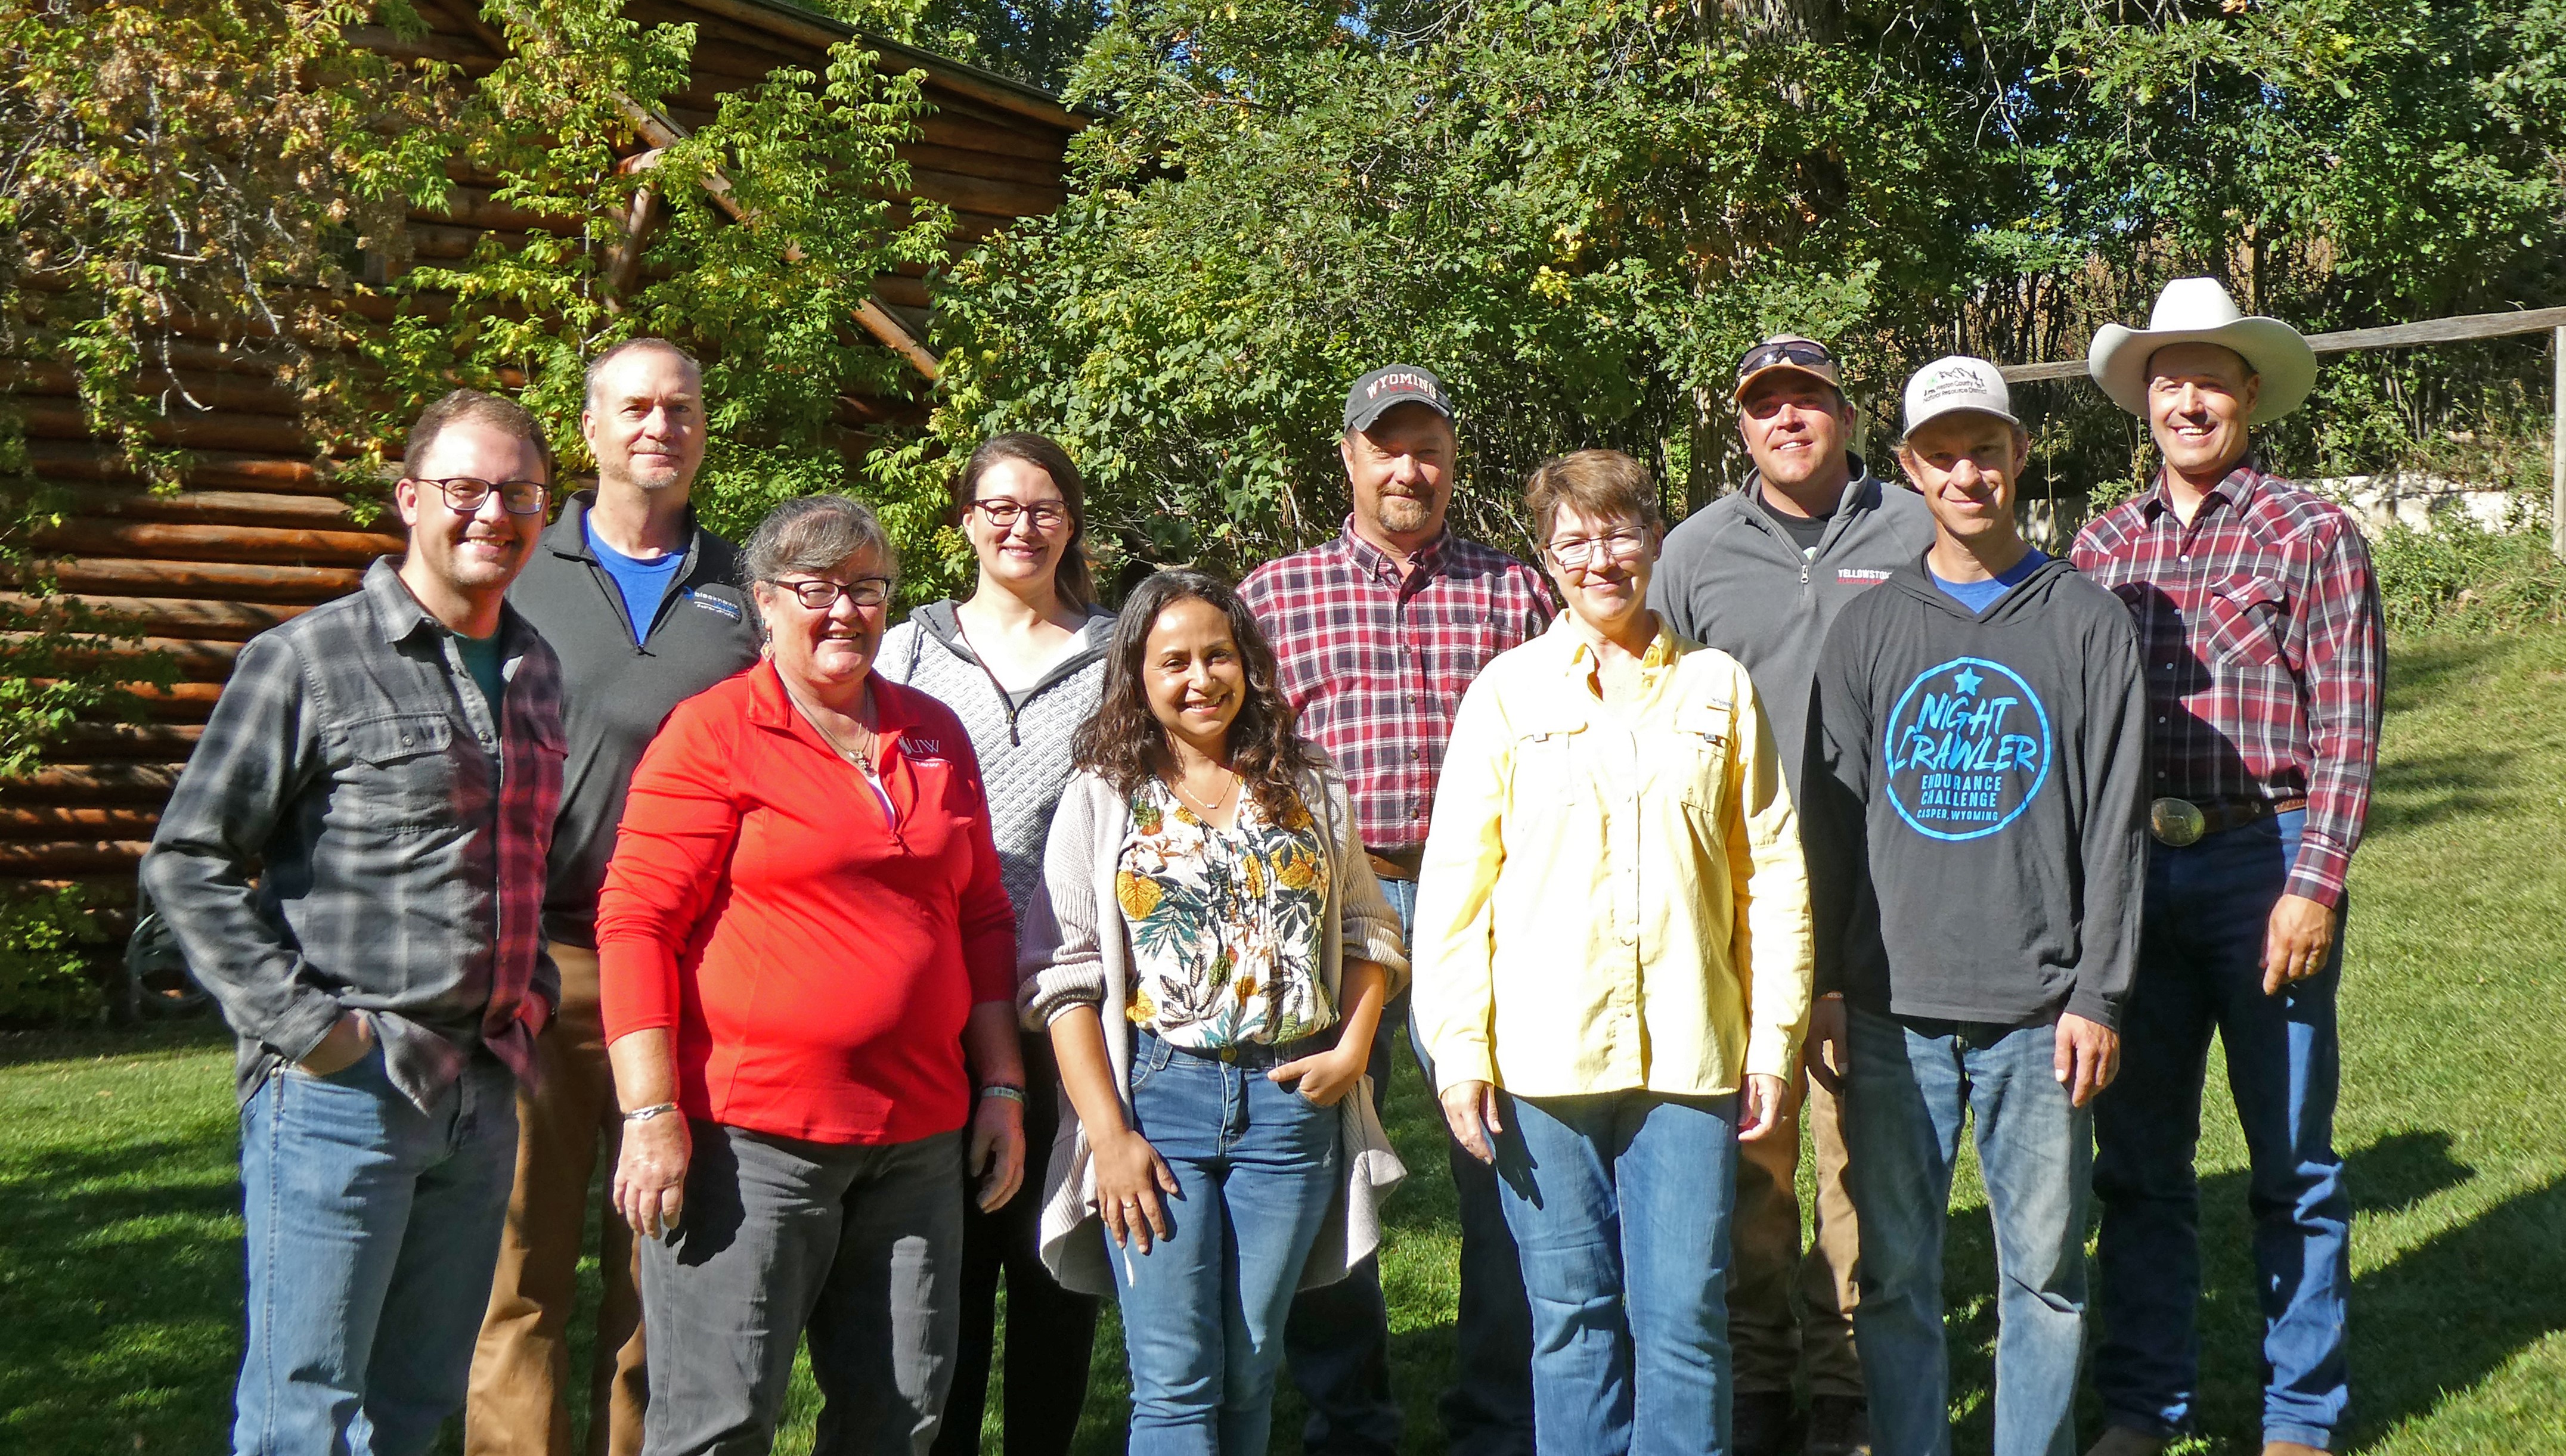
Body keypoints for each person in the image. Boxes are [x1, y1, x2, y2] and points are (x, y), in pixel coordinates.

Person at [141, 389, 566, 1456]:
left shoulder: (535, 670)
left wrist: (533, 995)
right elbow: (185, 859)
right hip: (346, 1091)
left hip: (482, 1086)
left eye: (520, 493)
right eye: (466, 488)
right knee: (308, 1414)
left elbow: (521, 858)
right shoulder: (307, 660)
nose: (493, 514)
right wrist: (312, 1031)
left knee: (415, 1410)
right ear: (410, 498)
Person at [595, 495, 1027, 1456]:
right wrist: (651, 1112)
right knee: (720, 1423)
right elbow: (635, 924)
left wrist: (1000, 1085)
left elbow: (983, 920)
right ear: (764, 603)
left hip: (919, 1139)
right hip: (752, 1145)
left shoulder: (935, 732)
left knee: (899, 1416)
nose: (845, 612)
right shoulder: (711, 734)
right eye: (817, 590)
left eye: (867, 589)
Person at [1413, 448, 1815, 1456]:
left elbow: (1772, 875)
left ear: (1656, 542)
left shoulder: (1720, 690)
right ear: (1547, 560)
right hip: (1543, 1065)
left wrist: (1772, 1043)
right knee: (1573, 1321)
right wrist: (1460, 1053)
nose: (1601, 559)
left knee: (1683, 1323)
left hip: (1689, 1058)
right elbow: (1456, 889)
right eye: (1575, 541)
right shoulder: (1507, 695)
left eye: (1620, 533)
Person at [1802, 358, 2147, 1456]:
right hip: (1893, 1012)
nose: (1967, 474)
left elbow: (2116, 826)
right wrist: (1823, 987)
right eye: (1942, 455)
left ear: (2017, 458)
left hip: (2041, 1013)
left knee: (2042, 1276)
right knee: (1897, 1275)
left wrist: (2100, 992)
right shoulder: (1865, 631)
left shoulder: (2085, 621)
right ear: (1909, 469)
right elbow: (1830, 827)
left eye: (1985, 451)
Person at [2074, 280, 2382, 1456]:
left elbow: (2348, 727)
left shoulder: (2309, 532)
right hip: (2132, 873)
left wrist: (2314, 882)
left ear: (2248, 393)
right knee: (2139, 1161)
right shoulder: (2102, 542)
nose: (2188, 398)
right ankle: (2143, 1404)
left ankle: (2299, 1412)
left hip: (2267, 855)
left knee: (2289, 1157)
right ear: (2142, 401)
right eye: (2168, 379)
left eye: (2210, 377)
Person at [1018, 570, 1409, 1456]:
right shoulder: (1105, 794)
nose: (1201, 679)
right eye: (1174, 662)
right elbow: (1065, 981)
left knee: (1251, 1362)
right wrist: (1109, 1137)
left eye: (1218, 655)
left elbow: (1368, 929)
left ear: (1248, 664)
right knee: (1176, 1380)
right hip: (1160, 1104)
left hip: (1289, 1107)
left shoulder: (1305, 784)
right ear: (1138, 678)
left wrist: (1351, 1050)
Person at [1238, 364, 1551, 1456]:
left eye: (1428, 447)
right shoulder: (1274, 597)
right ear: (1349, 458)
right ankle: (1350, 1416)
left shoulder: (1516, 590)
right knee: (1324, 1162)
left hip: (1483, 897)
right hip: (1332, 899)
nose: (1408, 468)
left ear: (1453, 459)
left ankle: (1498, 1416)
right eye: (1387, 446)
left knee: (1506, 1149)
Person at [472, 338, 761, 1456]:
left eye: (680, 408)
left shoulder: (745, 589)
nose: (659, 426)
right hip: (541, 964)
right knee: (520, 1267)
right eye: (634, 408)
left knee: (666, 1263)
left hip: (701, 967)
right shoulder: (513, 571)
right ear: (587, 432)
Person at [1650, 334, 1935, 1456]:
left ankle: (1850, 1387)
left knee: (1859, 1151)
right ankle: (1759, 1383)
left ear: (1847, 416)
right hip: (1735, 901)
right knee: (1752, 1153)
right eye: (1764, 406)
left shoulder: (1912, 530)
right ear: (1741, 427)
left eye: (1806, 403)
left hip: (1887, 889)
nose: (1787, 422)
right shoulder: (1694, 551)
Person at [879, 434, 1115, 1456]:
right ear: (965, 522)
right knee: (949, 1266)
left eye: (1045, 506)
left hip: (1071, 996)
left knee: (1054, 1257)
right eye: (1000, 507)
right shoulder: (908, 651)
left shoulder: (1118, 652)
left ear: (1071, 519)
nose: (1023, 526)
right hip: (936, 1001)